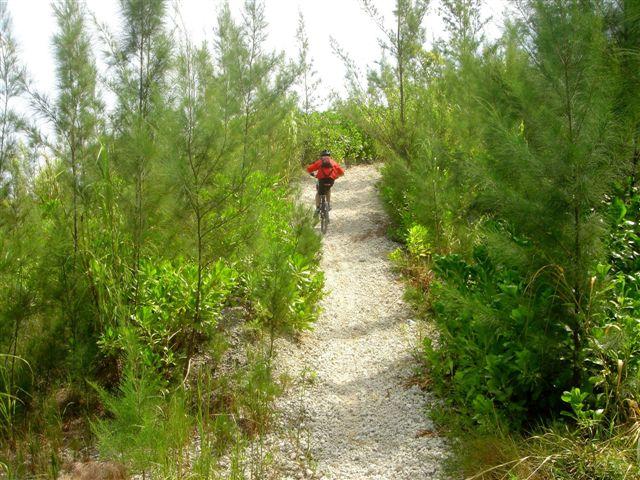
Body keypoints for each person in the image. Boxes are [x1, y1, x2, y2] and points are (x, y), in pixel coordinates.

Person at [306, 150, 344, 214]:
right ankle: (328, 204)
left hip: (321, 180)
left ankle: (317, 208)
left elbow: (309, 169)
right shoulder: (333, 162)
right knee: (328, 190)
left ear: (321, 156)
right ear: (329, 156)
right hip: (331, 180)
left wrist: (311, 173)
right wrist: (337, 176)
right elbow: (342, 173)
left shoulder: (320, 162)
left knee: (318, 193)